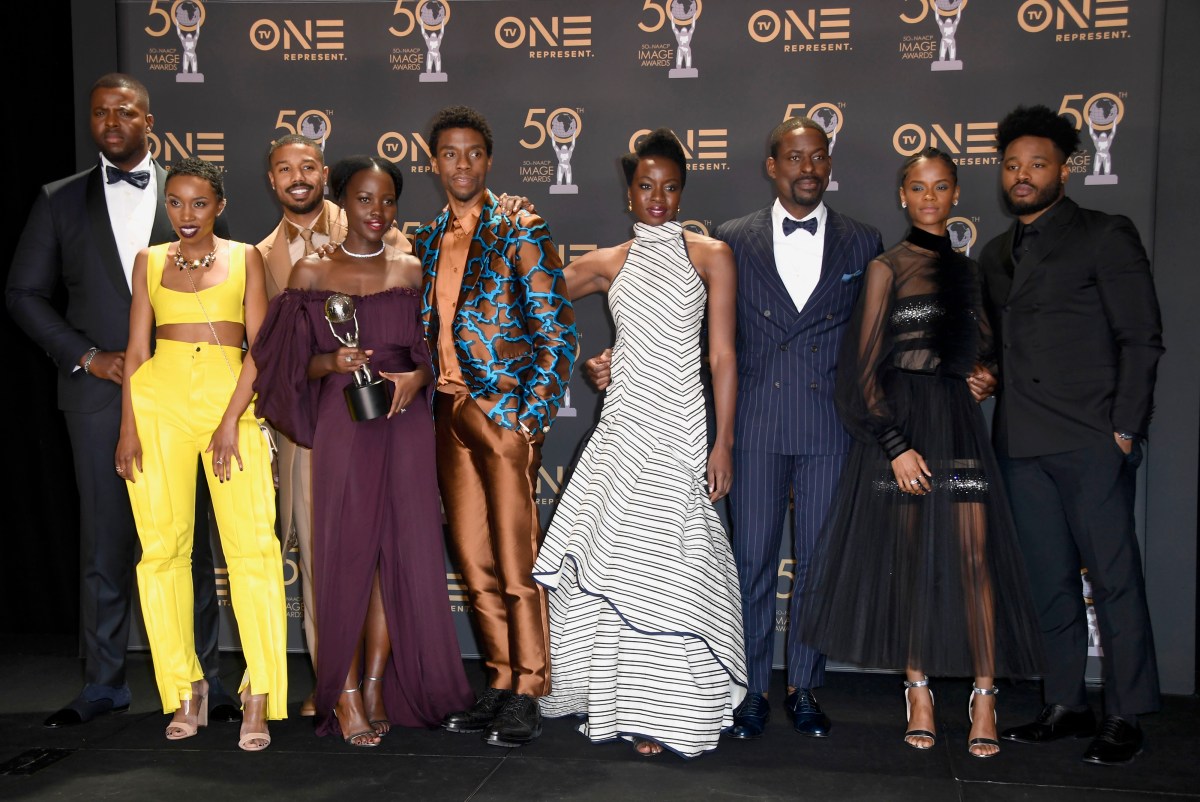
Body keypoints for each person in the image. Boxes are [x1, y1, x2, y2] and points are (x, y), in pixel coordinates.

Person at [587, 118, 882, 740]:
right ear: (771, 166)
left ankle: (803, 686)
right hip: (753, 423)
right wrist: (618, 358)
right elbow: (688, 329)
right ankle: (749, 691)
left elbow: (875, 339)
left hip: (829, 426)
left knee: (819, 563)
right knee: (749, 561)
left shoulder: (863, 240)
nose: (807, 167)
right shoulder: (731, 239)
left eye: (818, 156)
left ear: (830, 165)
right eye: (794, 157)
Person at [7, 73, 239, 729]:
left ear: (148, 119)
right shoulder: (58, 200)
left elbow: (228, 284)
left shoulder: (191, 195)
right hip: (98, 396)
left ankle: (204, 681)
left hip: (186, 392)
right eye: (100, 112)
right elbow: (22, 293)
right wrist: (84, 355)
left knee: (188, 541)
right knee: (105, 541)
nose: (111, 121)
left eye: (125, 110)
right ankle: (105, 682)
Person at [800, 148, 1043, 757]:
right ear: (903, 196)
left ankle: (984, 697)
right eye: (917, 187)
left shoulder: (969, 271)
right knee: (910, 564)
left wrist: (985, 375)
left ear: (956, 195)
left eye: (940, 187)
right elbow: (860, 372)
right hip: (903, 431)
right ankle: (919, 692)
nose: (929, 197)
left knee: (975, 559)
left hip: (958, 429)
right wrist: (895, 447)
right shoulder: (887, 267)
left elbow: (984, 350)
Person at [532, 129, 747, 758]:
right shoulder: (608, 261)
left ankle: (669, 710)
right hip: (624, 427)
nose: (658, 198)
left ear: (683, 191)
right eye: (646, 187)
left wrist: (723, 442)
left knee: (673, 570)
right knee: (624, 566)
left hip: (680, 428)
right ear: (629, 194)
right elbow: (532, 296)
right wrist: (599, 362)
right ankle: (622, 701)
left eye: (670, 187)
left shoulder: (711, 255)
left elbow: (724, 356)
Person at [253, 156, 474, 747]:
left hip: (402, 423)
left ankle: (377, 685)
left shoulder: (409, 268)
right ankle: (344, 695)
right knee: (345, 556)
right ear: (341, 201)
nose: (377, 212)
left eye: (387, 201)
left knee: (399, 554)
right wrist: (331, 362)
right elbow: (285, 365)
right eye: (363, 200)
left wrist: (417, 379)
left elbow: (436, 349)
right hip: (344, 420)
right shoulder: (309, 272)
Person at [975, 105, 1163, 766]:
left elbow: (1140, 338)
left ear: (1064, 168)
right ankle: (1064, 702)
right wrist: (984, 375)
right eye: (1012, 166)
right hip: (1021, 446)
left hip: (1089, 439)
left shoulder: (1104, 234)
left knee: (1113, 581)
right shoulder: (995, 254)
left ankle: (1126, 712)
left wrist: (1123, 429)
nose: (1022, 176)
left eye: (1037, 165)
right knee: (1047, 583)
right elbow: (1006, 349)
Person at [413, 105, 576, 748]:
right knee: (474, 562)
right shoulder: (424, 240)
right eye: (449, 153)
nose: (461, 164)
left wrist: (529, 420)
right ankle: (501, 680)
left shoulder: (519, 227)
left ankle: (532, 685)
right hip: (447, 414)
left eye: (473, 153)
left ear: (489, 161)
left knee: (516, 564)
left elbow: (557, 333)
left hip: (502, 413)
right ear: (434, 163)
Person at [115, 158, 286, 751]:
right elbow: (136, 350)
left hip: (230, 398)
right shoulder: (149, 261)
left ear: (219, 206)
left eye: (199, 204)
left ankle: (257, 694)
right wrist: (128, 428)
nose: (186, 215)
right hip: (157, 401)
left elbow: (261, 347)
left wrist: (233, 420)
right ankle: (185, 689)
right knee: (161, 550)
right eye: (176, 204)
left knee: (253, 550)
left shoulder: (246, 258)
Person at [256, 134, 410, 718]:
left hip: (379, 421)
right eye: (284, 169)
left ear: (325, 173)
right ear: (271, 180)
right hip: (309, 425)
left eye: (307, 166)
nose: (297, 177)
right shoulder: (263, 254)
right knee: (324, 557)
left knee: (377, 554)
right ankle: (334, 690)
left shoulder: (383, 229)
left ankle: (374, 684)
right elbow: (267, 353)